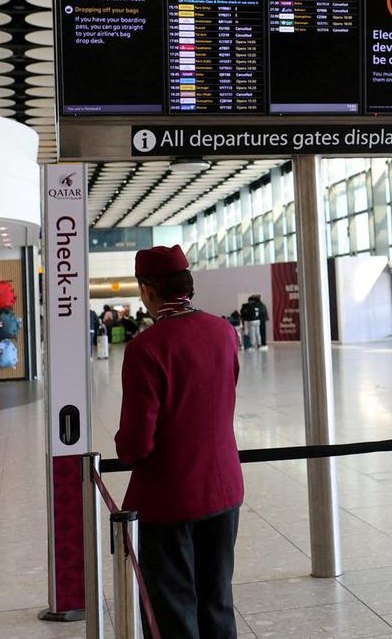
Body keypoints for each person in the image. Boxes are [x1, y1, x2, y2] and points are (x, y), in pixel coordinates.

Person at [115, 246, 243, 639]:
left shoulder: (147, 348)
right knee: (216, 599)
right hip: (224, 489)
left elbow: (137, 442)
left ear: (149, 290)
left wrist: (124, 446)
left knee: (172, 608)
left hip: (168, 499)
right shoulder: (224, 331)